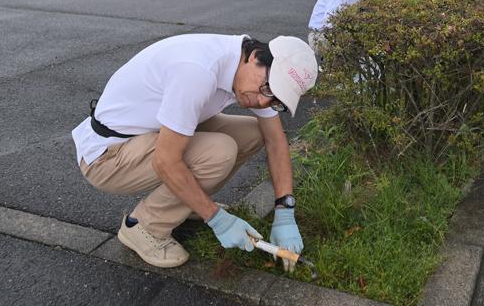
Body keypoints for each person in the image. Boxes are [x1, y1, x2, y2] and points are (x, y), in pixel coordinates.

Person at [72, 34, 317, 270]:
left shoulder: (247, 72)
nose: (264, 102)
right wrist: (217, 219)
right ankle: (143, 226)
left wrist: (285, 212)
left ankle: (184, 204)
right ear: (255, 56)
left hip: (148, 133)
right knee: (220, 152)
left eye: (276, 100)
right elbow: (166, 162)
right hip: (108, 156)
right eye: (268, 89)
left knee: (255, 133)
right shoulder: (198, 71)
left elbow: (275, 139)